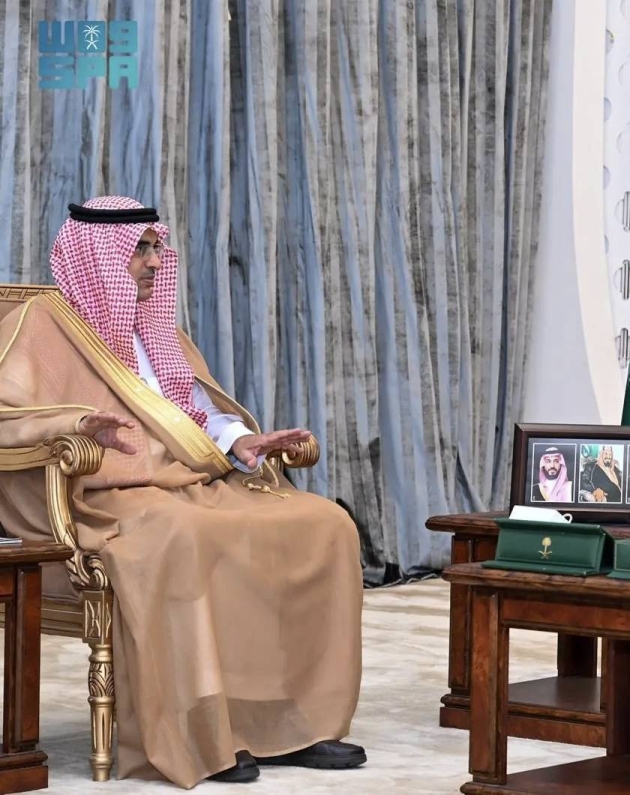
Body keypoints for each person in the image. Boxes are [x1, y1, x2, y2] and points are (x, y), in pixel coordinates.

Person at [0, 197, 366, 787]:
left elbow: (192, 413)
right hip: (104, 497)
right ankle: (198, 735)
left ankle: (290, 724)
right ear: (97, 256)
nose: (153, 262)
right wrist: (75, 425)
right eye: (139, 250)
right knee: (183, 535)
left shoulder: (154, 328)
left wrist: (241, 440)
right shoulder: (42, 326)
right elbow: (6, 417)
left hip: (186, 482)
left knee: (323, 524)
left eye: (155, 249)